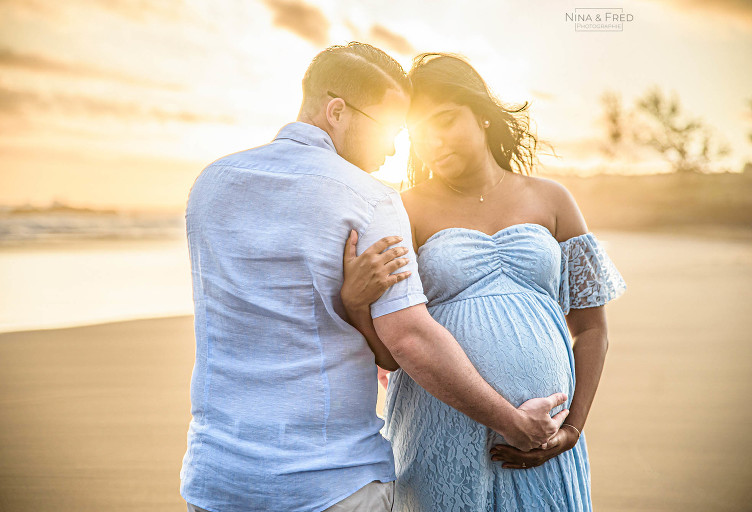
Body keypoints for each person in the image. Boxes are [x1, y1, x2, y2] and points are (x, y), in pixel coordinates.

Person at [180, 43, 569, 512]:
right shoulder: (369, 198)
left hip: (216, 477)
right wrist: (511, 421)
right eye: (387, 129)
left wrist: (354, 303)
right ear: (338, 111)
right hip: (329, 483)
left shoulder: (211, 183)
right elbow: (407, 340)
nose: (391, 149)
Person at [341, 53, 627, 511]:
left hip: (545, 438)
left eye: (446, 119)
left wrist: (572, 428)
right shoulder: (402, 209)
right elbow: (390, 351)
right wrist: (356, 305)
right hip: (440, 427)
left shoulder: (552, 199)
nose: (434, 140)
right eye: (419, 130)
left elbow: (593, 329)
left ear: (483, 117)